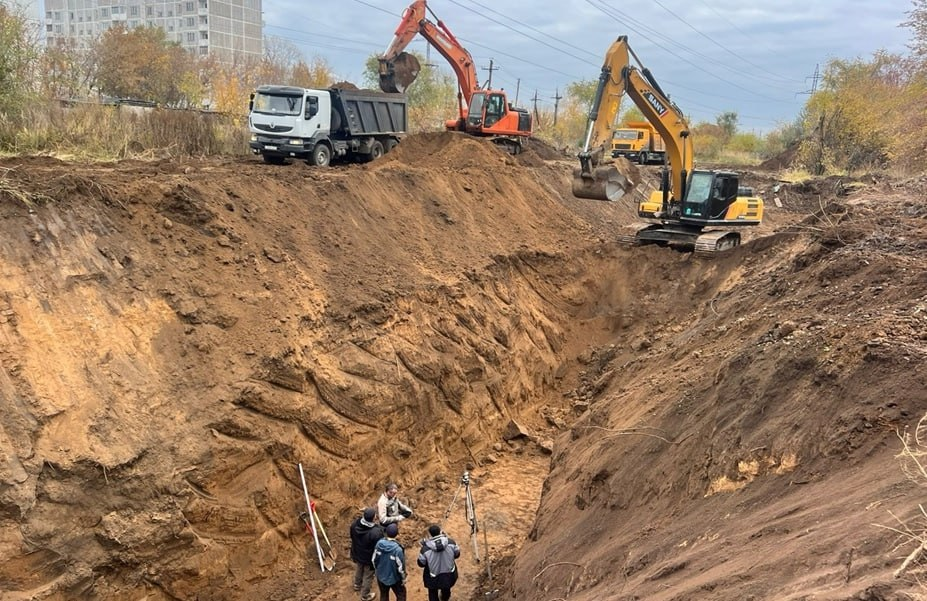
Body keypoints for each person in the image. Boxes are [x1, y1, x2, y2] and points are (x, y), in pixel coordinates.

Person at [417, 524, 460, 601]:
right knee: (446, 589)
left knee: (433, 593)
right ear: (440, 532)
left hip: (432, 577)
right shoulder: (451, 543)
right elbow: (457, 554)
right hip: (449, 574)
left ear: (430, 534)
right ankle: (444, 598)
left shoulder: (425, 549)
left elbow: (421, 563)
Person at [350, 507, 383, 601]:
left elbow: (352, 537)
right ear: (373, 518)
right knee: (368, 575)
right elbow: (378, 547)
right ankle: (365, 595)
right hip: (369, 558)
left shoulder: (354, 524)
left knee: (359, 568)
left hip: (358, 553)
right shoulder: (376, 532)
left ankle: (357, 584)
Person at [372, 522, 407, 601]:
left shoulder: (379, 544)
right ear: (397, 534)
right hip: (395, 579)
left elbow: (374, 560)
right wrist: (403, 578)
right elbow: (401, 567)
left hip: (381, 577)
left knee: (384, 595)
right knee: (401, 595)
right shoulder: (398, 550)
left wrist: (378, 571)